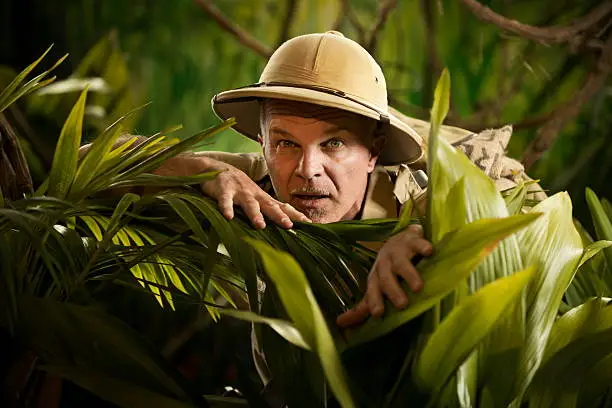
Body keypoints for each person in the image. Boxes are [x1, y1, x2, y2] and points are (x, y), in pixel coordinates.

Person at [82, 30, 544, 389]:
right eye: (285, 142)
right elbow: (85, 164)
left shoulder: (421, 200)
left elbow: (534, 211)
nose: (307, 170)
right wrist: (196, 166)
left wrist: (432, 234)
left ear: (375, 152)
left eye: (335, 143)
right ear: (261, 142)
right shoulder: (249, 184)